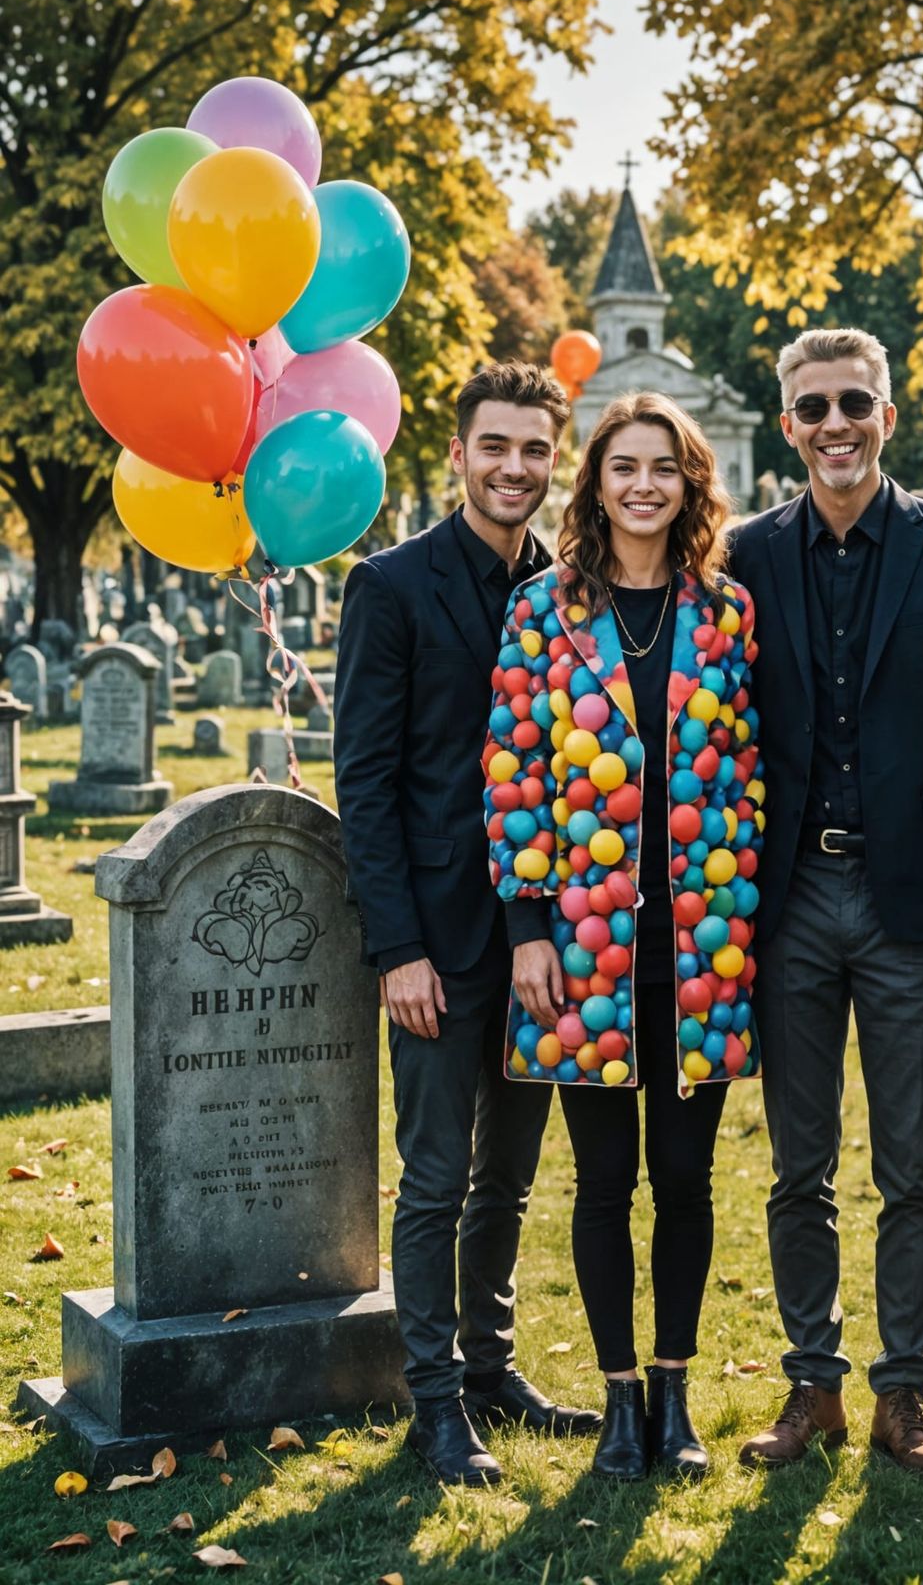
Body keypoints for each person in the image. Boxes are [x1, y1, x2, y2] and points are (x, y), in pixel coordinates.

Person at [726, 328, 923, 1481]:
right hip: (787, 899)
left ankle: (904, 1395)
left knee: (912, 1165)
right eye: (812, 408)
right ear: (787, 423)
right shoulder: (745, 553)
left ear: (886, 415)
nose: (834, 424)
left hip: (915, 906)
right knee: (798, 1163)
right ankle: (812, 1386)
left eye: (854, 402)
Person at [483, 392, 763, 1481]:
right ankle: (615, 1401)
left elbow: (749, 772)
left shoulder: (728, 613)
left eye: (663, 468)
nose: (642, 485)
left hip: (703, 952)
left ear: (690, 483)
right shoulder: (542, 612)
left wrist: (744, 914)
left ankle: (676, 1396)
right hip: (582, 950)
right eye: (622, 467)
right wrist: (527, 928)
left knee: (686, 1183)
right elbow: (514, 772)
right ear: (593, 483)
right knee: (602, 1185)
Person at [335, 361, 601, 1487]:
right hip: (437, 941)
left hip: (547, 935)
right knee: (437, 1172)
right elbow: (366, 777)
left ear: (556, 459)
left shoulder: (569, 583)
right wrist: (395, 947)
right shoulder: (391, 586)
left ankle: (492, 1367)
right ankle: (435, 1401)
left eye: (537, 450)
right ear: (458, 453)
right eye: (497, 446)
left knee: (510, 1176)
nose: (516, 468)